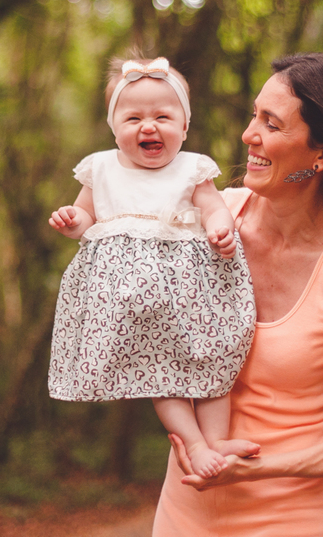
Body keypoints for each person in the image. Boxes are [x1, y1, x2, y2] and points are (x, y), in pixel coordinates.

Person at [152, 52, 323, 536]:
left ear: (321, 153)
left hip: (287, 519)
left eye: (271, 123)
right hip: (182, 512)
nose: (249, 135)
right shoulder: (212, 219)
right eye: (254, 114)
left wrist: (259, 470)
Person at [48, 55, 258, 478]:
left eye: (163, 115)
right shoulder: (101, 168)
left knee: (213, 360)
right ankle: (195, 445)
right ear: (114, 128)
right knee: (161, 374)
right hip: (129, 301)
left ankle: (216, 440)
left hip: (193, 291)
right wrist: (72, 221)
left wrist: (221, 230)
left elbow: (214, 208)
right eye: (133, 118)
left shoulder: (192, 167)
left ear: (184, 126)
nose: (149, 126)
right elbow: (87, 219)